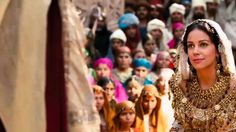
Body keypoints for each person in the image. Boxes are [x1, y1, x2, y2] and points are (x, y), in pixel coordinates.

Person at [169, 19, 236, 131]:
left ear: (218, 49)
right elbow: (178, 126)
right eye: (190, 46)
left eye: (203, 44)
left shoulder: (233, 87)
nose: (195, 51)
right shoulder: (180, 85)